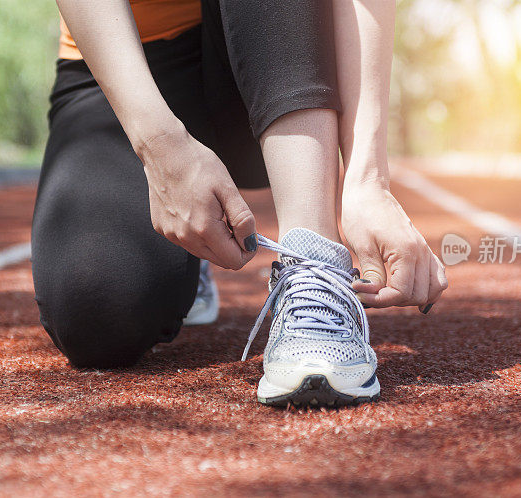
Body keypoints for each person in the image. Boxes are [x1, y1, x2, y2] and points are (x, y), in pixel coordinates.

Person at [32, 0, 448, 407]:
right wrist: (159, 145)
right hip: (126, 58)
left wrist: (368, 178)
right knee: (98, 310)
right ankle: (187, 259)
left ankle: (312, 261)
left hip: (278, 43)